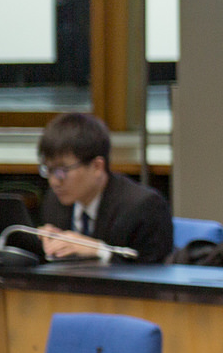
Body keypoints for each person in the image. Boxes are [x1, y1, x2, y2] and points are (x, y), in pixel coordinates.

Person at [35, 112, 174, 263]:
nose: (54, 181)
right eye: (48, 170)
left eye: (62, 171)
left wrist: (100, 251)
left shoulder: (144, 207)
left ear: (97, 167)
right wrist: (46, 246)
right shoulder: (54, 201)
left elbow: (153, 271)